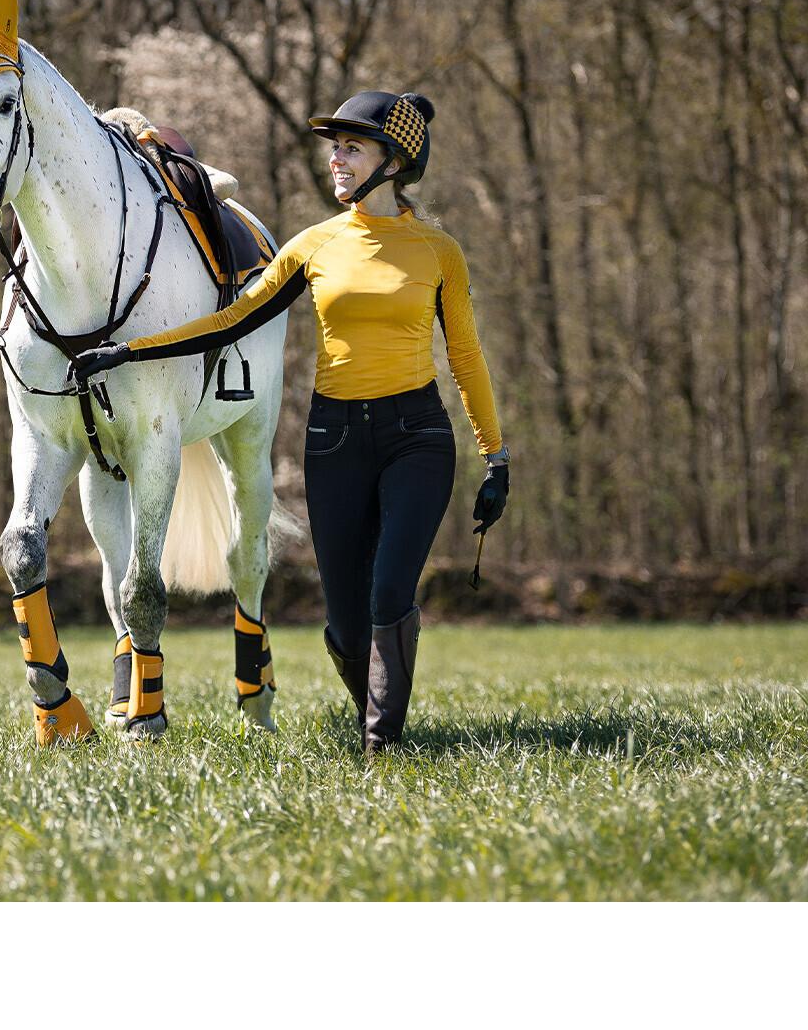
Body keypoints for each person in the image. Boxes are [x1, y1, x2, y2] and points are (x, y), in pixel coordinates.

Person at [69, 92, 509, 753]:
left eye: (351, 148)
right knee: (343, 628)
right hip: (335, 440)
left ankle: (382, 745)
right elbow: (231, 321)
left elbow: (467, 355)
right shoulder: (314, 245)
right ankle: (374, 710)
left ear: (394, 161)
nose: (335, 159)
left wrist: (495, 457)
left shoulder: (437, 251)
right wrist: (131, 350)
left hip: (417, 435)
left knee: (390, 590)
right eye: (334, 146)